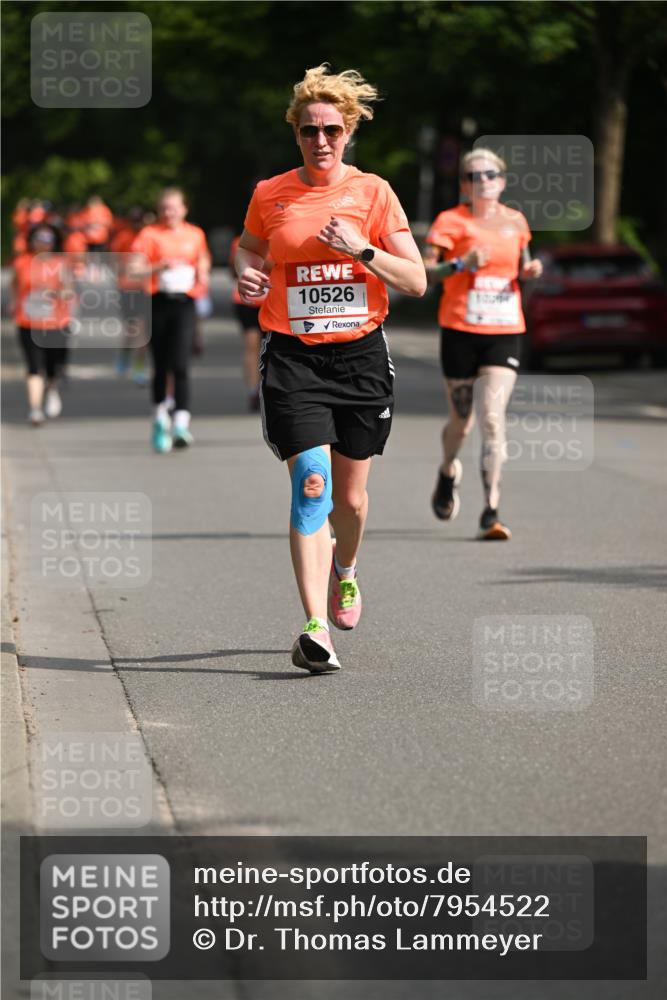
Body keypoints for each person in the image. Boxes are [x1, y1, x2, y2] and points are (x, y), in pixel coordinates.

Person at [235, 64, 426, 674]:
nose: (321, 141)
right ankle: (314, 628)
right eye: (310, 130)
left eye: (332, 130)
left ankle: (346, 570)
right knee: (312, 483)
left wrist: (363, 250)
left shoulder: (374, 193)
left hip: (360, 357)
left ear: (348, 133)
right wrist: (246, 269)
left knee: (352, 497)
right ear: (296, 134)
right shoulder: (271, 193)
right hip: (293, 355)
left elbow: (418, 281)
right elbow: (248, 246)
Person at [424, 148, 543, 540]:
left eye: (491, 175)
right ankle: (447, 470)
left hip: (504, 330)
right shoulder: (449, 222)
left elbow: (524, 263)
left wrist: (529, 270)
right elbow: (425, 273)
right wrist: (461, 264)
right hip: (459, 329)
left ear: (503, 181)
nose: (484, 182)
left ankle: (490, 511)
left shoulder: (516, 221)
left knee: (492, 417)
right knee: (462, 421)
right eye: (474, 176)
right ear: (463, 185)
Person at [131, 187, 211, 451]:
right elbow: (134, 268)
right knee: (161, 365)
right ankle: (159, 418)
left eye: (174, 207)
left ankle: (181, 424)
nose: (170, 212)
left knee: (182, 364)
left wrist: (202, 272)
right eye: (165, 207)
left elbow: (203, 261)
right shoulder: (149, 235)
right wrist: (158, 266)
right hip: (158, 302)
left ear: (184, 209)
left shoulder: (195, 234)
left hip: (185, 302)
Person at [11, 223, 74, 425]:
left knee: (52, 366)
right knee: (34, 367)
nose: (43, 243)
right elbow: (15, 284)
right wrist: (14, 302)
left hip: (55, 322)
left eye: (48, 239)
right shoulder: (22, 261)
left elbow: (69, 290)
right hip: (28, 321)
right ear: (31, 240)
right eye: (39, 238)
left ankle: (52, 388)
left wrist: (56, 293)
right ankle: (35, 409)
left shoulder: (61, 262)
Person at [229, 233, 269, 411]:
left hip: (276, 302)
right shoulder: (240, 242)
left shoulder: (282, 237)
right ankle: (253, 390)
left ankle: (269, 388)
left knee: (274, 348)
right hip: (248, 302)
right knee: (252, 344)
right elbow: (234, 270)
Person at [110, 206, 149, 382]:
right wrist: (124, 271)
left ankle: (139, 367)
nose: (136, 224)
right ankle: (125, 354)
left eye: (139, 220)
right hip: (128, 288)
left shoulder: (150, 237)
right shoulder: (122, 238)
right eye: (133, 221)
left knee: (143, 330)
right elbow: (113, 263)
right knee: (132, 330)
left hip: (148, 288)